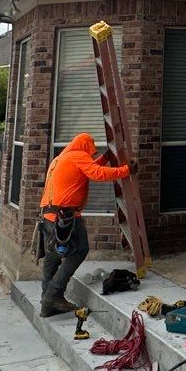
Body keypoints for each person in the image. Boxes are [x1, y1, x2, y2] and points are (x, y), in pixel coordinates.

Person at [36, 132, 130, 317]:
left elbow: (88, 169)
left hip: (48, 216)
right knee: (80, 250)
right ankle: (53, 295)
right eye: (91, 151)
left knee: (52, 257)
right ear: (85, 146)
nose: (91, 154)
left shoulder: (61, 158)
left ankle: (47, 302)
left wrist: (105, 158)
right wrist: (126, 170)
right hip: (66, 217)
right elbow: (97, 173)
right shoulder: (78, 156)